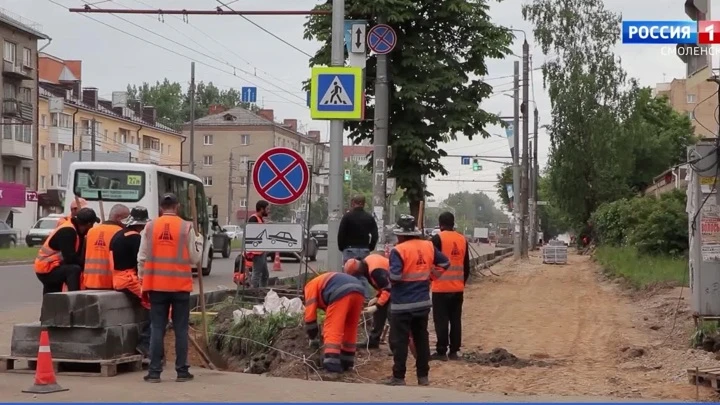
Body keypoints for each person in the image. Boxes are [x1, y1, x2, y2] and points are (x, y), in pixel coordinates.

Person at [138, 193, 203, 383]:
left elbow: (141, 257)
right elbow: (194, 258)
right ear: (178, 206)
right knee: (181, 329)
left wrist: (143, 279)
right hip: (180, 286)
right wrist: (199, 240)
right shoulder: (186, 227)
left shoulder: (149, 226)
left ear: (161, 208)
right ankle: (182, 371)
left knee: (157, 328)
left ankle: (154, 372)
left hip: (156, 286)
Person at [386, 214, 450, 386]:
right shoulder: (428, 246)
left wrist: (388, 273)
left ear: (400, 234)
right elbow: (445, 263)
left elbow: (395, 276)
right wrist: (431, 277)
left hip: (402, 304)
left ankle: (399, 377)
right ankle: (423, 376)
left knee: (400, 341)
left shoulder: (398, 251)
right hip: (422, 302)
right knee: (421, 339)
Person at [304, 272, 367, 374]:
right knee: (350, 326)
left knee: (333, 327)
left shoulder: (309, 288)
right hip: (359, 290)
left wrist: (312, 337)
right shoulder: (321, 282)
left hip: (341, 292)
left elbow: (310, 317)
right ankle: (346, 361)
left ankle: (331, 363)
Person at [111, 206, 151, 357]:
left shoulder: (119, 234)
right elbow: (140, 262)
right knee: (155, 308)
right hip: (129, 280)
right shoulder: (135, 238)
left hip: (118, 278)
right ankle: (145, 344)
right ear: (141, 225)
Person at [430, 212, 470, 361]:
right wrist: (461, 283)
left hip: (440, 288)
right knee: (455, 320)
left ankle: (441, 351)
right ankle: (454, 351)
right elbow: (466, 267)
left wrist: (432, 279)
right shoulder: (462, 239)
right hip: (457, 288)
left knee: (441, 320)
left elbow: (431, 261)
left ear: (440, 224)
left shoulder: (437, 239)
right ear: (453, 223)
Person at [35, 208, 100, 294]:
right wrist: (87, 265)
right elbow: (70, 258)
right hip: (47, 268)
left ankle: (51, 306)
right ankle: (74, 299)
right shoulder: (68, 231)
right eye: (93, 224)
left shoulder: (76, 230)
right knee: (74, 270)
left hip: (53, 266)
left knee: (52, 297)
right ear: (89, 224)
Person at [343, 253, 391, 349]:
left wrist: (377, 305)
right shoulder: (368, 262)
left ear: (358, 271)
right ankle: (373, 341)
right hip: (392, 288)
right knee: (379, 313)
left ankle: (397, 347)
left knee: (392, 315)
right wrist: (377, 297)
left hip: (399, 289)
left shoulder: (375, 270)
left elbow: (388, 288)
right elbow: (383, 285)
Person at [84, 204, 129, 290]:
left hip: (89, 282)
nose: (128, 221)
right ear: (119, 218)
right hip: (110, 284)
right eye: (127, 218)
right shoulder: (121, 233)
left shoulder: (91, 231)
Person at [338, 194, 378, 263]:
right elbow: (375, 235)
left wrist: (342, 247)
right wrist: (370, 247)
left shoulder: (347, 217)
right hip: (364, 249)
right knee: (363, 271)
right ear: (364, 204)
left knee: (350, 271)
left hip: (349, 249)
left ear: (353, 203)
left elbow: (341, 234)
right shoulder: (369, 217)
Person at [246, 200, 270, 288]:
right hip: (256, 253)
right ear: (261, 209)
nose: (268, 211)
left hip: (261, 252)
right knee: (257, 274)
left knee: (265, 274)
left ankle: (262, 291)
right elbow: (252, 234)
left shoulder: (260, 219)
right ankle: (252, 293)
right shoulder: (253, 219)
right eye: (267, 209)